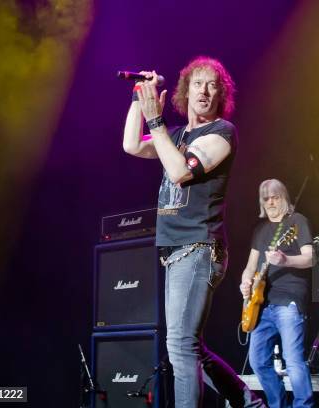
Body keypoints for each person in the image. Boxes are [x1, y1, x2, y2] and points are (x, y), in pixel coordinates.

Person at [123, 56, 263, 408]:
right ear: (185, 92)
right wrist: (140, 98)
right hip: (176, 250)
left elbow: (180, 173)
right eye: (197, 83)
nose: (204, 90)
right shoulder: (175, 135)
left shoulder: (222, 133)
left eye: (212, 84)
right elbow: (130, 145)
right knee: (191, 347)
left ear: (220, 95)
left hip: (199, 247)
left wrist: (155, 118)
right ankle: (249, 403)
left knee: (180, 346)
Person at [239, 179, 314, 408]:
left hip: (289, 300)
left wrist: (286, 259)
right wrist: (245, 282)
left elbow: (310, 257)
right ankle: (278, 404)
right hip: (262, 304)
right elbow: (251, 266)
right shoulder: (260, 230)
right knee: (258, 361)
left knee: (293, 361)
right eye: (266, 198)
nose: (270, 202)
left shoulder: (297, 221)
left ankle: (303, 405)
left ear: (284, 197)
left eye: (275, 197)